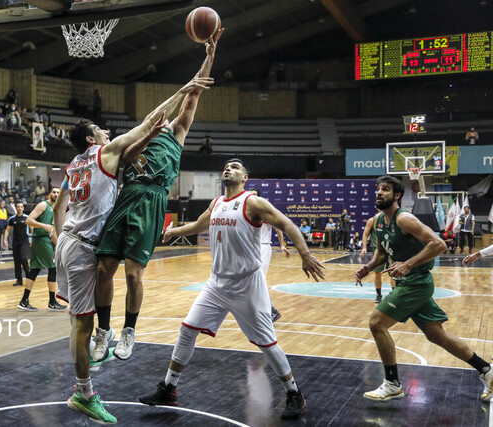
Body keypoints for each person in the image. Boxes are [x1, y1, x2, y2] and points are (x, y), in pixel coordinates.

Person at [138, 158, 326, 419]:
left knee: (267, 343)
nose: (229, 168)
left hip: (247, 284)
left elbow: (287, 225)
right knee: (187, 330)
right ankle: (168, 387)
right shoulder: (216, 203)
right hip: (216, 283)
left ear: (245, 178)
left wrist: (305, 254)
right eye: (226, 166)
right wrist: (174, 231)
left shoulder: (253, 202)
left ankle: (294, 393)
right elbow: (198, 225)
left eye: (236, 167)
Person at [53, 88, 198, 424]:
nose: (107, 132)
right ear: (92, 138)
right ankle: (83, 392)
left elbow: (60, 205)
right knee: (80, 325)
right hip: (79, 246)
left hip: (69, 241)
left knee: (83, 317)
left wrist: (59, 234)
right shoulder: (104, 153)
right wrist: (185, 88)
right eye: (101, 130)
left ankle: (99, 344)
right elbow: (149, 121)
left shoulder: (74, 164)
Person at [93, 30, 224, 362]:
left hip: (152, 200)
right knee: (104, 268)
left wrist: (209, 55)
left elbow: (193, 95)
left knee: (133, 273)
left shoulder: (177, 133)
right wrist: (148, 130)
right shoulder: (139, 136)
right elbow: (127, 153)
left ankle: (128, 331)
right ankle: (103, 330)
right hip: (127, 197)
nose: (162, 119)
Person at [355, 175, 493, 403]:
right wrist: (368, 268)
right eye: (378, 189)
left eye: (386, 189)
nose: (379, 193)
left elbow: (439, 245)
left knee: (376, 323)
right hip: (408, 283)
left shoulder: (404, 219)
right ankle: (486, 370)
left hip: (416, 283)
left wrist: (408, 264)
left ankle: (392, 383)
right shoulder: (378, 221)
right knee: (436, 334)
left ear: (397, 195)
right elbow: (382, 252)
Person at [17, 187, 66, 312]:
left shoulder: (56, 209)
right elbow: (28, 220)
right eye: (54, 192)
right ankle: (52, 301)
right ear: (50, 195)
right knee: (53, 268)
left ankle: (24, 300)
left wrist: (58, 245)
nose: (56, 194)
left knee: (34, 270)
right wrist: (43, 225)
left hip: (45, 239)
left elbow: (52, 231)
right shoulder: (43, 205)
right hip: (40, 239)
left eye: (58, 192)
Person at [249, 187, 290, 322]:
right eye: (250, 195)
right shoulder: (247, 214)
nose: (252, 197)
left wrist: (282, 245)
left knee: (258, 281)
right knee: (251, 282)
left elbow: (278, 228)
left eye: (254, 195)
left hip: (263, 247)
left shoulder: (262, 212)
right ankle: (265, 311)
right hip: (251, 249)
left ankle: (271, 311)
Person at [360, 212, 388, 303]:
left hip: (390, 248)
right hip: (377, 250)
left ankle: (394, 294)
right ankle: (378, 295)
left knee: (393, 273)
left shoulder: (391, 219)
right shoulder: (372, 220)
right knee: (377, 273)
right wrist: (364, 247)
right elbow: (365, 234)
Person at [4, 201, 30, 287]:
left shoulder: (27, 217)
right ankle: (19, 280)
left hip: (24, 241)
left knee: (23, 258)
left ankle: (29, 277)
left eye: (21, 207)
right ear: (16, 208)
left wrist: (32, 239)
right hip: (15, 242)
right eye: (18, 206)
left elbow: (32, 228)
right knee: (17, 261)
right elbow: (7, 230)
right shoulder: (12, 219)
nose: (19, 208)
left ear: (23, 208)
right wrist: (5, 240)